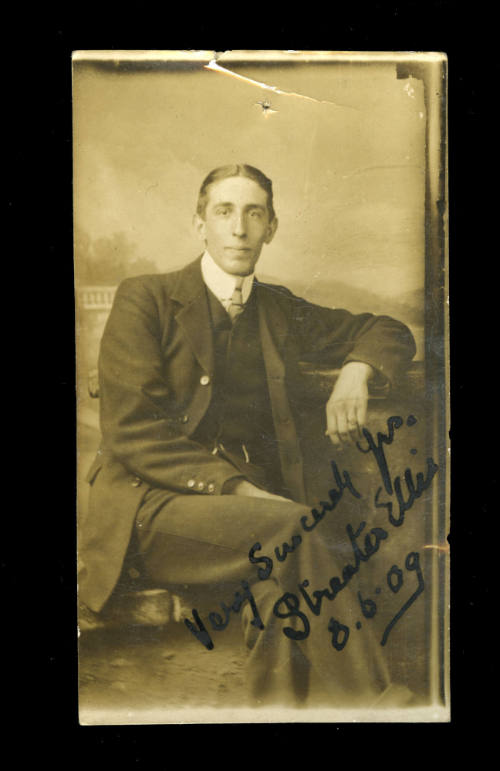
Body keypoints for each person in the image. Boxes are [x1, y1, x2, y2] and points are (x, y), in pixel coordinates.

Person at [79, 164, 417, 707]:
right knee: (294, 527)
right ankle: (387, 708)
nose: (239, 228)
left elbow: (387, 330)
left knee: (278, 602)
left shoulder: (279, 310)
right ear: (200, 226)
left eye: (254, 213)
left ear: (272, 227)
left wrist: (358, 370)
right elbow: (132, 432)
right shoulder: (147, 298)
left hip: (250, 533)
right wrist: (242, 492)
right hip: (150, 514)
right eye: (224, 212)